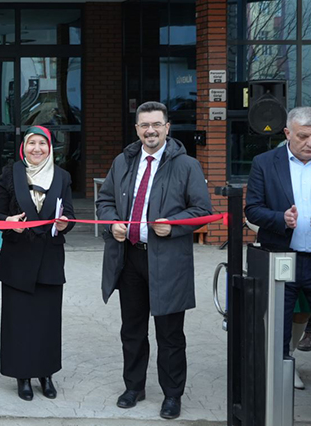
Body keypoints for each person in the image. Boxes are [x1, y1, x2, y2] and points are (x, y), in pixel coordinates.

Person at [96, 101, 212, 420]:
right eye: (144, 125)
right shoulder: (123, 161)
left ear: (167, 127)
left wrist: (174, 224)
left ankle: (172, 394)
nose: (150, 130)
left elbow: (202, 211)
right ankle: (134, 387)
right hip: (129, 258)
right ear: (137, 129)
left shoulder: (186, 164)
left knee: (170, 333)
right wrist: (111, 223)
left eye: (156, 125)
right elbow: (104, 200)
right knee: (132, 329)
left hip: (169, 262)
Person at [0, 126, 74, 401]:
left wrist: (65, 224)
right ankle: (22, 376)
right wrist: (8, 223)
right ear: (23, 147)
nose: (37, 149)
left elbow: (70, 215)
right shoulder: (10, 173)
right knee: (19, 322)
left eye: (42, 144)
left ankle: (46, 375)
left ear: (50, 147)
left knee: (47, 322)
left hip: (49, 260)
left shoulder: (62, 176)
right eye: (31, 144)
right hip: (17, 260)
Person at [245, 106, 311, 393]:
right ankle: (283, 370)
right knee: (279, 324)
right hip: (280, 257)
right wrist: (281, 219)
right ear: (288, 133)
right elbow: (252, 209)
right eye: (303, 136)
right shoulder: (265, 162)